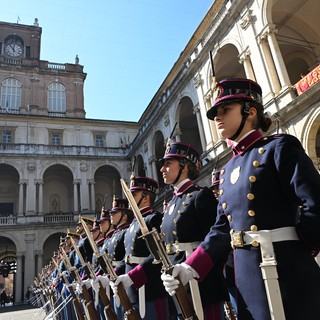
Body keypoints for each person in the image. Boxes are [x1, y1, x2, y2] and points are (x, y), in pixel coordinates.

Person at [162, 78, 320, 319]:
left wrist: (300, 247)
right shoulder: (226, 170)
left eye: (226, 110)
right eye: (216, 112)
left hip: (286, 271)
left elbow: (314, 201)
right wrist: (190, 266)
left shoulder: (278, 149)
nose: (217, 117)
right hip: (246, 279)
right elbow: (221, 229)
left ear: (251, 111)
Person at [159, 141, 228, 319]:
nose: (162, 169)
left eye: (168, 164)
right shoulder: (172, 203)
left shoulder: (200, 196)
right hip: (177, 284)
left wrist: (193, 268)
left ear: (184, 166)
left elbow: (217, 242)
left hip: (202, 283)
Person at [110, 176, 169, 319]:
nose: (129, 197)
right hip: (133, 290)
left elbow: (159, 253)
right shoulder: (133, 225)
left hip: (151, 288)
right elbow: (128, 257)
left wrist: (134, 275)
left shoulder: (154, 218)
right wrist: (115, 273)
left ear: (146, 197)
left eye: (134, 194)